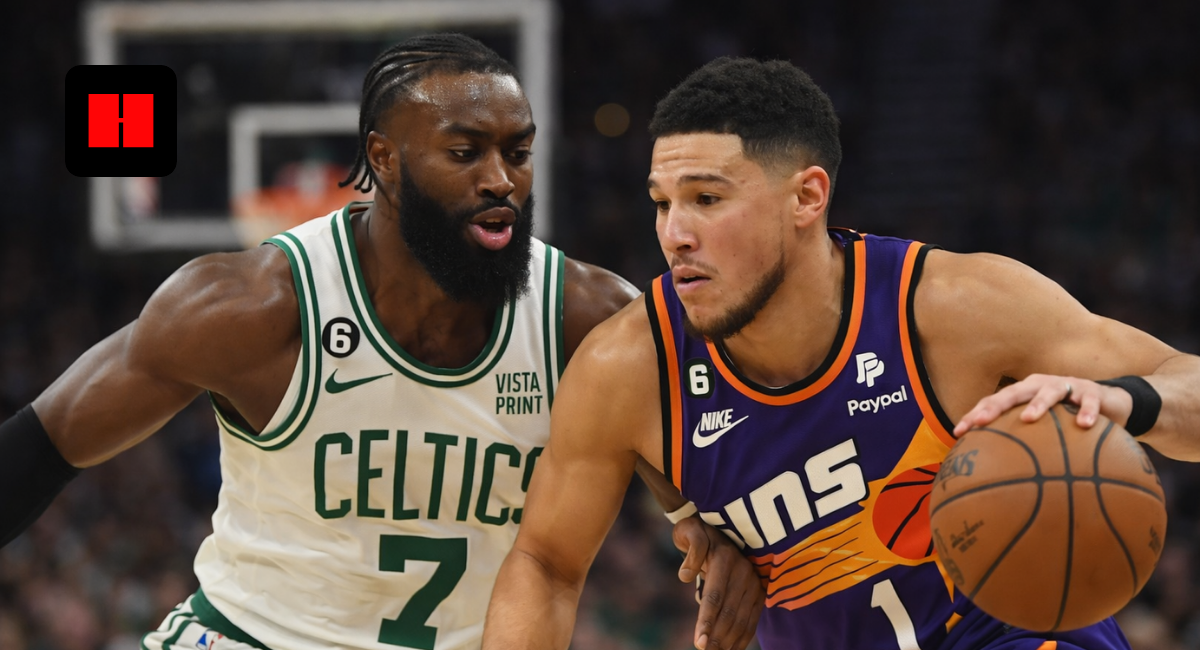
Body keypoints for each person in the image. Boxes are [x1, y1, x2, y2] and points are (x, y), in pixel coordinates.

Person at [0, 35, 763, 650]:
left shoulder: (587, 319)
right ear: (385, 160)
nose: (501, 178)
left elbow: (711, 502)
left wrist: (725, 547)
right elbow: (44, 444)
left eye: (518, 152)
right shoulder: (249, 306)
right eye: (466, 152)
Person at [481, 56, 1200, 650]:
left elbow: (1184, 383)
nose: (675, 233)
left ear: (807, 197)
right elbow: (544, 563)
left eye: (706, 198)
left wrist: (1128, 402)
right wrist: (693, 525)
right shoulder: (630, 368)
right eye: (662, 202)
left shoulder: (952, 307)